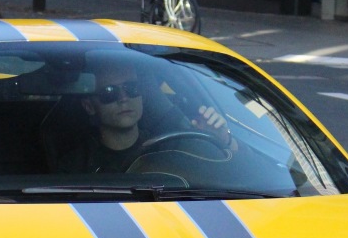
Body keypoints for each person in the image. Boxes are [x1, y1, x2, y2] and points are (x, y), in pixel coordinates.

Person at [56, 51, 235, 174]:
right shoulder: (76, 165)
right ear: (89, 106)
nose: (124, 98)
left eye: (131, 88)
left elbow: (232, 173)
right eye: (109, 92)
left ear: (142, 95)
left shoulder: (171, 147)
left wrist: (223, 141)